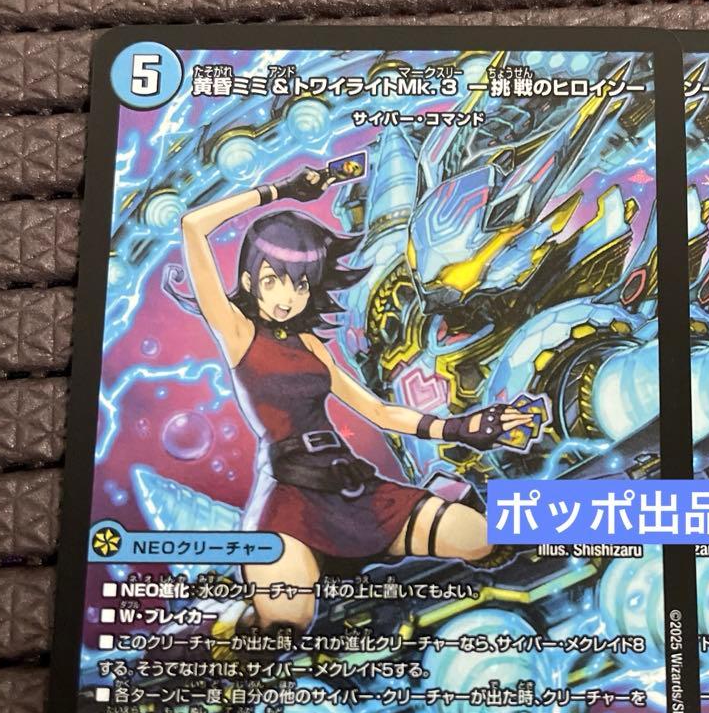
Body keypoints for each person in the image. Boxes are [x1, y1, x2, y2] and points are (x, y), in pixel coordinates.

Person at [176, 165, 532, 630]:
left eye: (299, 283)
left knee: (481, 538)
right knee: (284, 625)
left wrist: (458, 428)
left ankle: (448, 499)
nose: (287, 296)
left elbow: (377, 410)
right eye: (272, 280)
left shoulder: (310, 345)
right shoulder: (238, 333)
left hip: (354, 487)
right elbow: (193, 225)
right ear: (248, 283)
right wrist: (279, 191)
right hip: (289, 502)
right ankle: (214, 627)